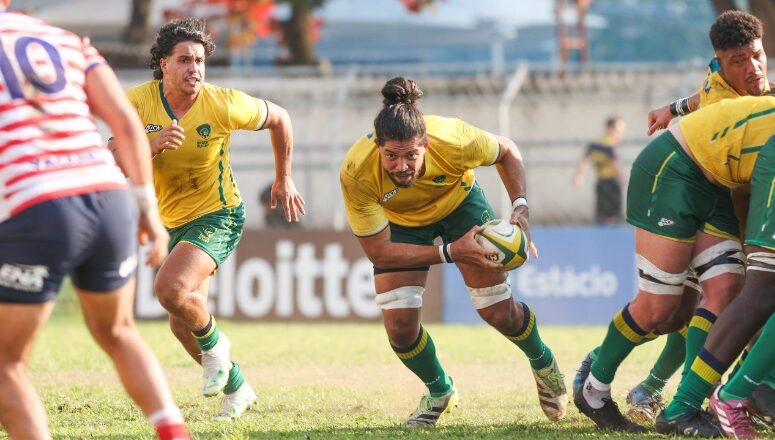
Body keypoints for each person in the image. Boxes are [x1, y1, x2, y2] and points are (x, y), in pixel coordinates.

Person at [572, 12, 773, 431]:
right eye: (739, 60)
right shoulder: (727, 99)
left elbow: (703, 101)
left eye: (757, 55)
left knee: (725, 289)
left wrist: (674, 106)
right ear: (719, 63)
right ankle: (594, 384)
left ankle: (688, 400)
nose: (752, 68)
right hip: (671, 173)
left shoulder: (733, 90)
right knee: (660, 307)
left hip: (710, 183)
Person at [0, 2, 189, 439]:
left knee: (6, 364)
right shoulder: (66, 41)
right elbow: (125, 123)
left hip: (41, 206)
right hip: (109, 198)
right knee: (118, 331)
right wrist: (148, 211)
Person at [339, 77, 567, 428]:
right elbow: (380, 252)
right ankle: (440, 390)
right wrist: (450, 253)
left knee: (497, 312)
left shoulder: (454, 139)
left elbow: (507, 150)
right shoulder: (356, 171)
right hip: (401, 224)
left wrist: (520, 206)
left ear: (426, 145)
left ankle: (543, 362)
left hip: (462, 209)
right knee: (399, 329)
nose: (401, 166)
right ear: (378, 148)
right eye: (391, 156)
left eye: (411, 155)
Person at [109, 18, 305, 420]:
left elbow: (280, 118)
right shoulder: (138, 102)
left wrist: (284, 178)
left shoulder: (222, 102)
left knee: (169, 288)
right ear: (163, 64)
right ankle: (238, 388)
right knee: (182, 323)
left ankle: (218, 352)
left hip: (219, 214)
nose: (193, 68)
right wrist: (152, 144)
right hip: (171, 221)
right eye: (184, 60)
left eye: (199, 60)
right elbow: (113, 156)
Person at [632, 94, 775, 437]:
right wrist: (675, 108)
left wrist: (674, 108)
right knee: (755, 289)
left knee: (737, 289)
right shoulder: (721, 86)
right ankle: (719, 396)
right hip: (686, 177)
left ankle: (746, 389)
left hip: (725, 176)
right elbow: (708, 94)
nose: (754, 68)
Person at [572, 116, 626, 224]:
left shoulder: (596, 144)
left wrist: (579, 175)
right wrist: (622, 178)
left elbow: (584, 157)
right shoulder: (609, 145)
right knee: (614, 217)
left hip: (601, 183)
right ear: (609, 129)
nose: (621, 134)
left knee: (602, 215)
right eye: (618, 131)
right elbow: (614, 164)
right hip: (612, 183)